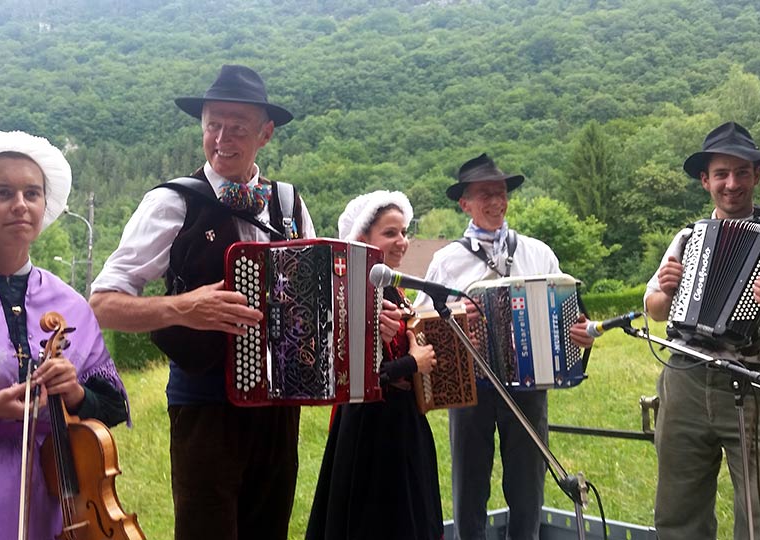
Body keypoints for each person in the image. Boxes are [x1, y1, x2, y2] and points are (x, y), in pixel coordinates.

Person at [89, 64, 315, 540]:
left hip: (280, 407)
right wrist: (182, 307)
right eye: (213, 124)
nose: (222, 138)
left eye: (237, 126)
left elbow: (317, 299)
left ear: (266, 133)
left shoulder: (290, 204)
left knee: (268, 530)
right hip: (205, 406)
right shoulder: (173, 202)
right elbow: (103, 303)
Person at [414, 153, 594, 540]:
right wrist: (459, 318)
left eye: (499, 193)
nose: (495, 201)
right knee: (469, 483)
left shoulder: (538, 252)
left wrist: (577, 333)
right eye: (484, 195)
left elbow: (567, 313)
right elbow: (422, 324)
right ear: (464, 203)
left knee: (528, 483)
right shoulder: (446, 261)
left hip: (529, 385)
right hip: (470, 384)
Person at [644, 121, 760, 540]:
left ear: (756, 176)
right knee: (678, 510)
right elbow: (654, 308)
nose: (732, 184)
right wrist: (669, 292)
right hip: (686, 378)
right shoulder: (688, 237)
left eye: (742, 172)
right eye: (721, 175)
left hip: (758, 380)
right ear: (705, 180)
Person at [0, 129, 129, 539]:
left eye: (32, 193)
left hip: (59, 496)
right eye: (1, 193)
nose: (20, 206)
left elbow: (112, 407)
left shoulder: (69, 304)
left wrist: (77, 394)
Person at [305, 190, 444, 540]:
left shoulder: (394, 291)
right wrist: (413, 362)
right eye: (390, 233)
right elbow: (360, 377)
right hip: (373, 429)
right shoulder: (355, 295)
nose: (402, 241)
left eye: (403, 232)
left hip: (403, 423)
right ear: (363, 239)